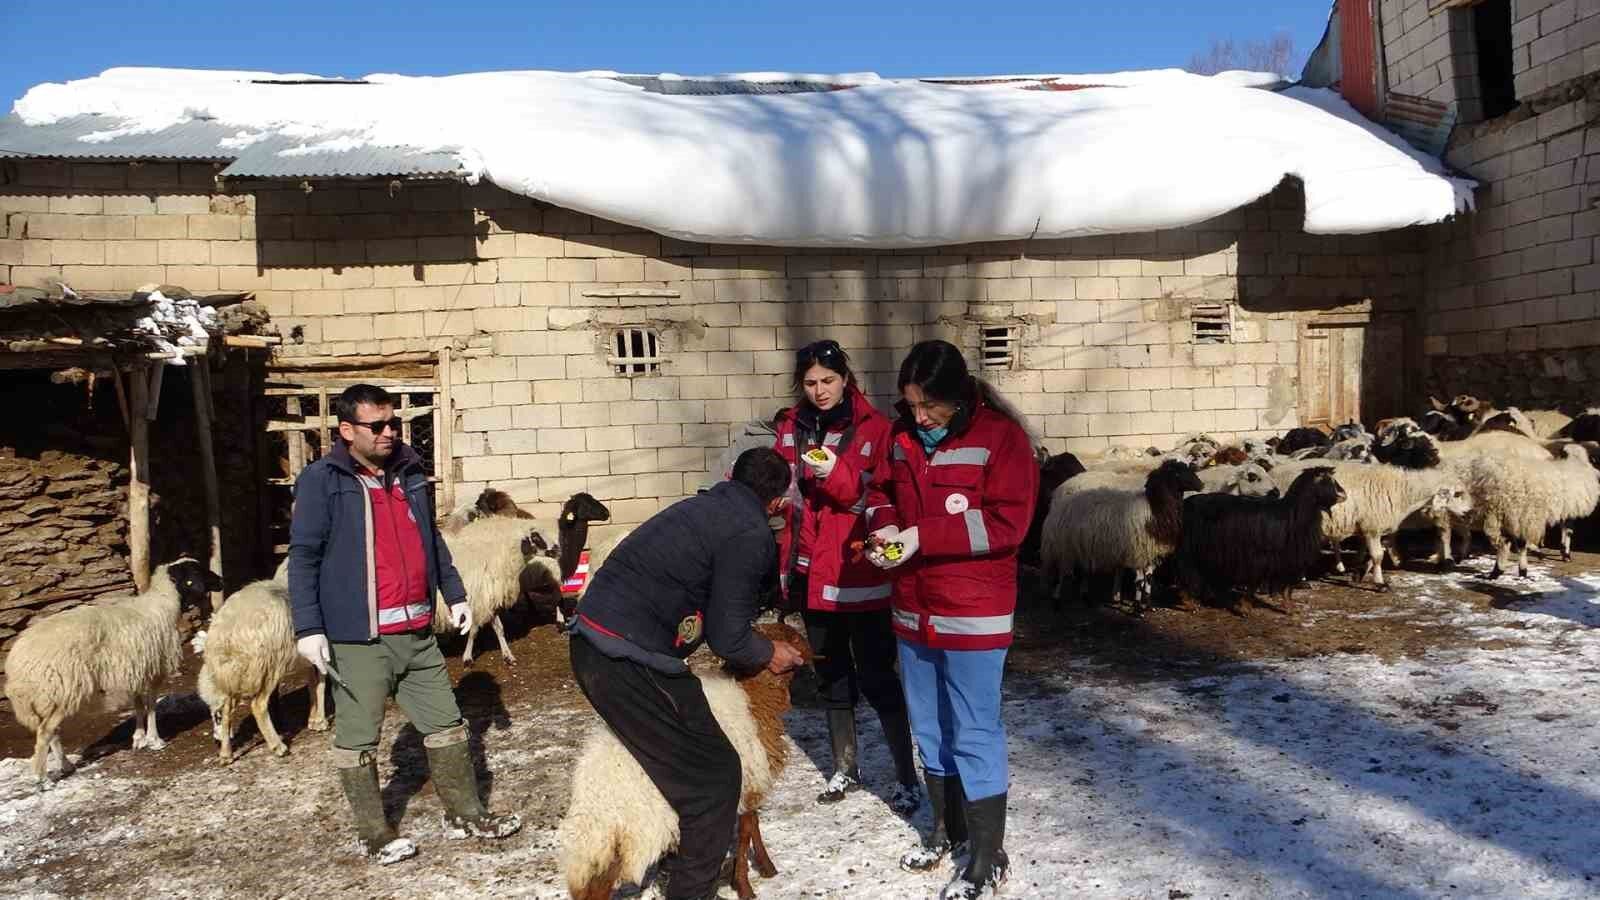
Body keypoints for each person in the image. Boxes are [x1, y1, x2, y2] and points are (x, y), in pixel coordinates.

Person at [288, 384, 521, 865]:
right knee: (357, 738)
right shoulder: (322, 480)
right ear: (347, 430)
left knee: (448, 725)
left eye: (393, 423)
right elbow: (305, 555)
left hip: (417, 633)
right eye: (377, 426)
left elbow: (432, 543)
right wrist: (308, 627)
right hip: (360, 639)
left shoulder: (410, 472)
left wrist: (453, 594)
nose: (389, 432)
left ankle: (465, 813)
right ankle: (373, 833)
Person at [567, 447, 807, 900]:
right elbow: (728, 637)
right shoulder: (748, 532)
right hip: (626, 659)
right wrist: (769, 651)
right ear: (776, 502)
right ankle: (692, 891)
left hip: (594, 642)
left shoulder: (701, 506)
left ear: (732, 476)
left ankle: (682, 852)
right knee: (717, 777)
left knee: (690, 757)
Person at [863, 341, 1037, 900]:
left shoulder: (1002, 440)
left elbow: (1008, 525)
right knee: (931, 727)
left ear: (959, 396)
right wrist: (886, 527)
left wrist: (924, 535)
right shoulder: (900, 438)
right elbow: (880, 492)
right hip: (913, 610)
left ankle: (986, 854)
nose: (919, 417)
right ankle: (946, 828)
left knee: (975, 730)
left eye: (928, 406)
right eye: (911, 405)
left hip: (973, 614)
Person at [772, 339, 920, 811]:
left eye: (828, 381)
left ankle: (905, 775)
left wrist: (833, 470)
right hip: (808, 567)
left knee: (878, 675)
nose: (819, 391)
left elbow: (871, 496)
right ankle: (845, 768)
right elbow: (784, 484)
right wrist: (776, 493)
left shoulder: (875, 428)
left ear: (846, 380)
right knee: (831, 674)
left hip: (858, 571)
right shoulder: (791, 426)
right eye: (811, 383)